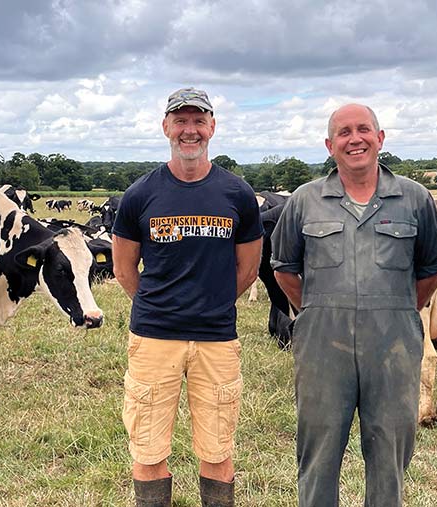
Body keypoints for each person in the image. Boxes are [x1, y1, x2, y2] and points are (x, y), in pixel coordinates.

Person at [271, 103, 437, 506]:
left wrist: (396, 311)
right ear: (330, 145)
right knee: (318, 450)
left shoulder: (415, 199)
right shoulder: (304, 201)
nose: (356, 139)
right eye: (344, 133)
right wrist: (316, 311)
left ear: (380, 138)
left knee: (390, 451)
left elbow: (431, 270)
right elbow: (284, 269)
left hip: (394, 347)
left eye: (364, 130)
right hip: (321, 347)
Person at [112, 87, 263, 507]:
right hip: (154, 338)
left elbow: (248, 270)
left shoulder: (237, 194)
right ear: (165, 127)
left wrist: (212, 303)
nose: (189, 130)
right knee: (148, 451)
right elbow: (124, 269)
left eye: (198, 120)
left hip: (216, 339)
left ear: (212, 127)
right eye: (180, 121)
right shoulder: (140, 195)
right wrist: (160, 306)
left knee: (217, 451)